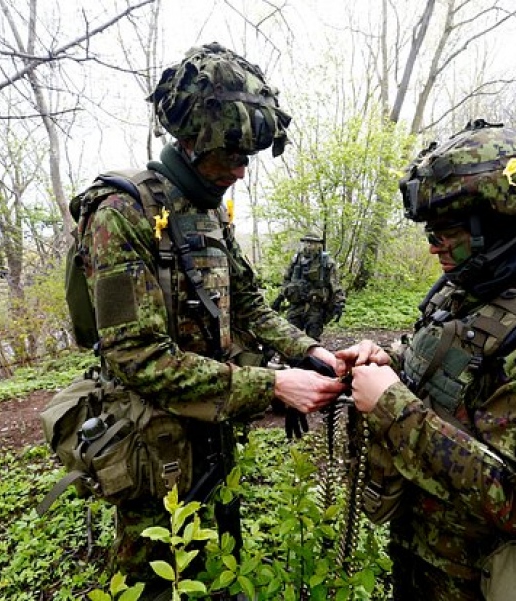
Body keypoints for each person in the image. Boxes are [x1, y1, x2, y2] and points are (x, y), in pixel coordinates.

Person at [72, 43, 345, 590]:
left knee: (219, 558)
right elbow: (135, 356)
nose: (242, 172)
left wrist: (308, 351)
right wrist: (271, 385)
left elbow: (248, 302)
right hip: (154, 439)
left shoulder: (209, 209)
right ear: (192, 141)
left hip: (213, 424)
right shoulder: (124, 210)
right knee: (153, 574)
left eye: (249, 159)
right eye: (232, 157)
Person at [335, 120, 516, 599]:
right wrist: (387, 361)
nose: (433, 246)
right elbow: (453, 367)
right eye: (431, 232)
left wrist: (389, 405)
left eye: (447, 233)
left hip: (483, 580)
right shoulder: (465, 295)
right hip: (423, 560)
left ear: (498, 224)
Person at [271, 232, 346, 341]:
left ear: (318, 245)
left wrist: (339, 304)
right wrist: (280, 298)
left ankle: (311, 358)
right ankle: (289, 358)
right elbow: (287, 279)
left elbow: (335, 285)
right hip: (296, 305)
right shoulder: (296, 260)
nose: (309, 245)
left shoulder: (327, 262)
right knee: (289, 338)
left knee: (312, 339)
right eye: (307, 242)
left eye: (312, 243)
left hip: (315, 307)